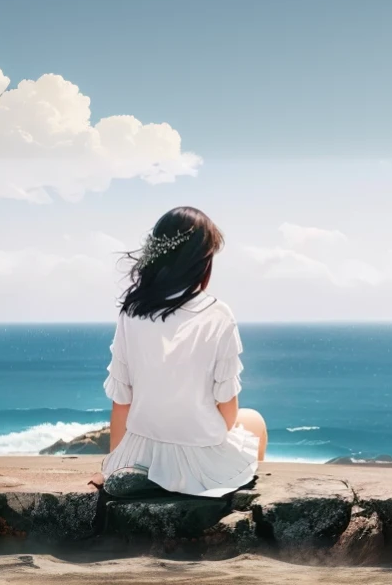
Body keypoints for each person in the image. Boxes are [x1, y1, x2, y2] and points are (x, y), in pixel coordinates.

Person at [91, 206, 268, 498]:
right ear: (202, 262)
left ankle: (149, 474)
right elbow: (227, 408)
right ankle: (222, 493)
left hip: (140, 453)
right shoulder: (218, 314)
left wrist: (114, 466)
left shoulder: (132, 311)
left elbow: (121, 402)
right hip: (199, 456)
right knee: (254, 421)